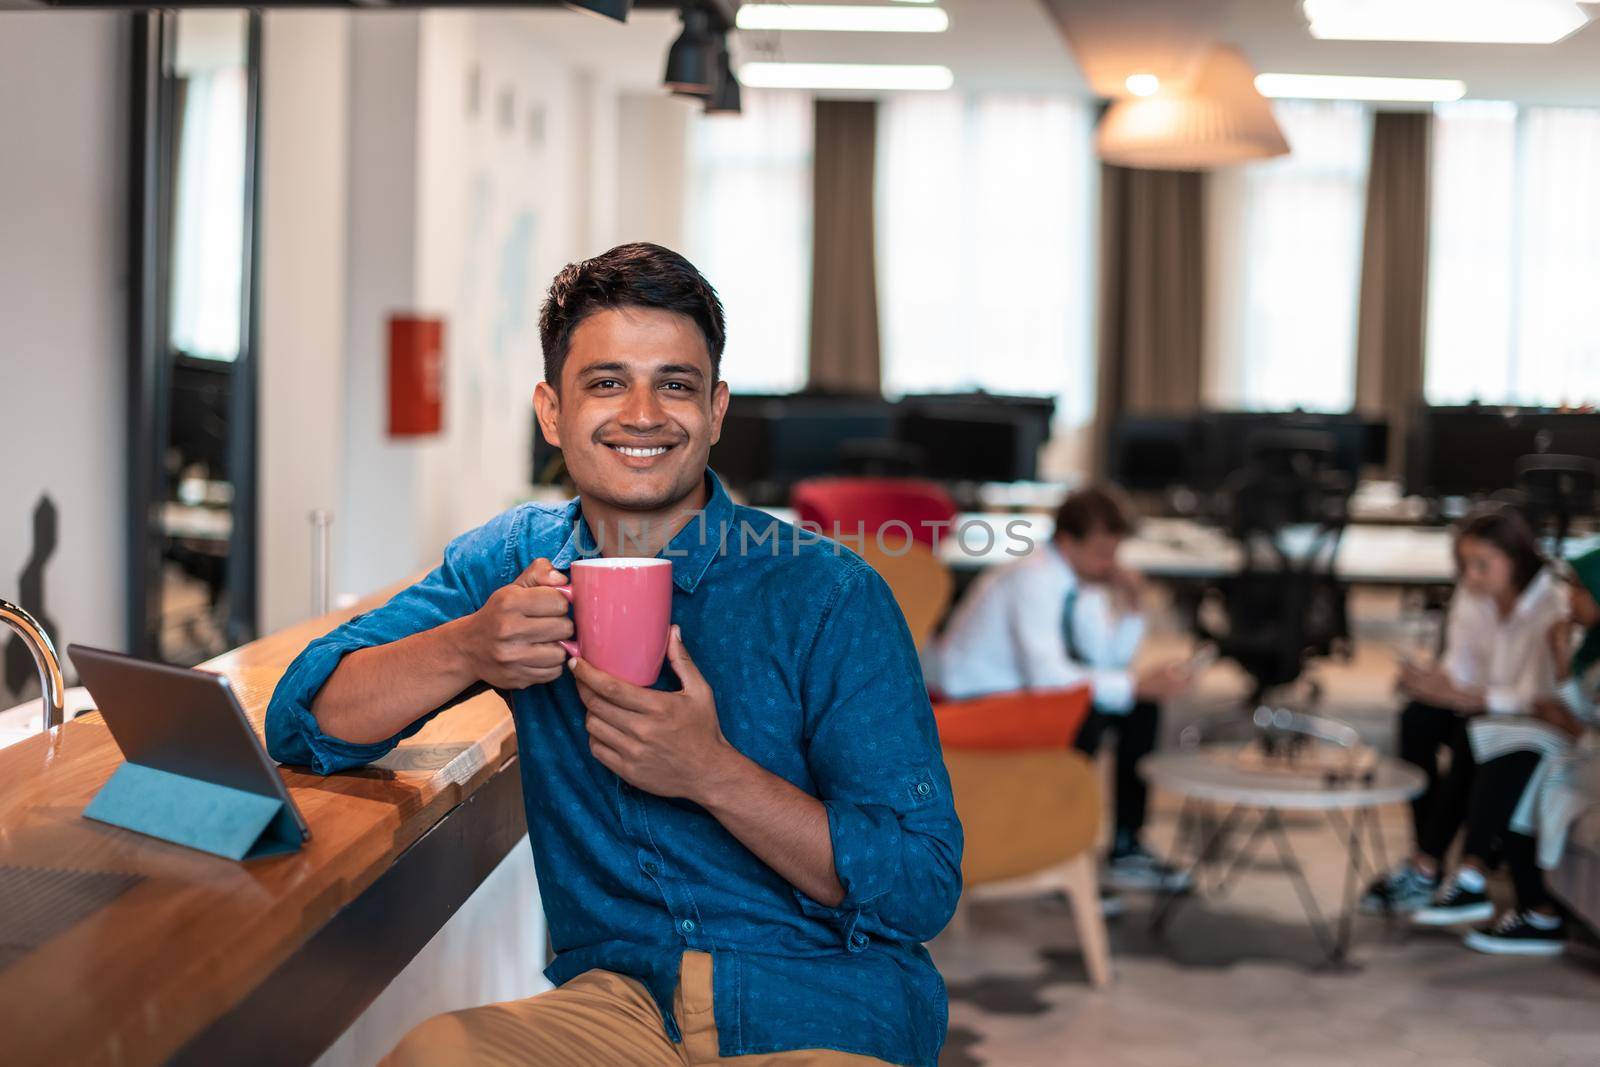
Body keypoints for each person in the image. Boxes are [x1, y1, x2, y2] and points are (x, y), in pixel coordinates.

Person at [265, 243, 962, 1067]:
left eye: (676, 384)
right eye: (606, 382)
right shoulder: (512, 560)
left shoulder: (828, 593)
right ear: (552, 412)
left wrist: (711, 772)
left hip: (826, 1001)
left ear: (716, 410)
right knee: (436, 1052)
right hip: (621, 1005)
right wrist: (469, 645)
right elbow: (303, 718)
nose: (643, 414)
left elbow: (921, 885)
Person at [934, 484, 1194, 891]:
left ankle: (1126, 845)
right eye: (1102, 551)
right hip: (972, 698)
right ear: (1068, 541)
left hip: (1024, 694)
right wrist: (1132, 685)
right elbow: (1050, 677)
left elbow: (1106, 662)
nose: (1111, 563)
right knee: (1088, 715)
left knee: (1140, 707)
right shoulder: (1032, 579)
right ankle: (1056, 852)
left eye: (1115, 551)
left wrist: (1133, 606)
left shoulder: (1083, 581)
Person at [1362, 508, 1567, 917]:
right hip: (1480, 703)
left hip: (1522, 716)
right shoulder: (1472, 594)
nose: (1470, 576)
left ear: (1515, 558)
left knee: (1472, 733)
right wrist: (1433, 683)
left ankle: (1432, 864)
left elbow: (1541, 695)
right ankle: (1428, 860)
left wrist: (1476, 699)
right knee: (1417, 717)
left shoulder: (1551, 603)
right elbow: (1460, 671)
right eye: (1464, 564)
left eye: (1482, 565)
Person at [1450, 549, 1600, 955]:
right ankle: (1499, 889)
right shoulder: (1590, 648)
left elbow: (1586, 724)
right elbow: (1585, 711)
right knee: (1506, 744)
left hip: (1592, 762)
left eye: (1581, 591)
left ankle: (1503, 890)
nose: (1570, 600)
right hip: (1584, 752)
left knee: (1526, 764)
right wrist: (1564, 665)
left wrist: (1565, 720)